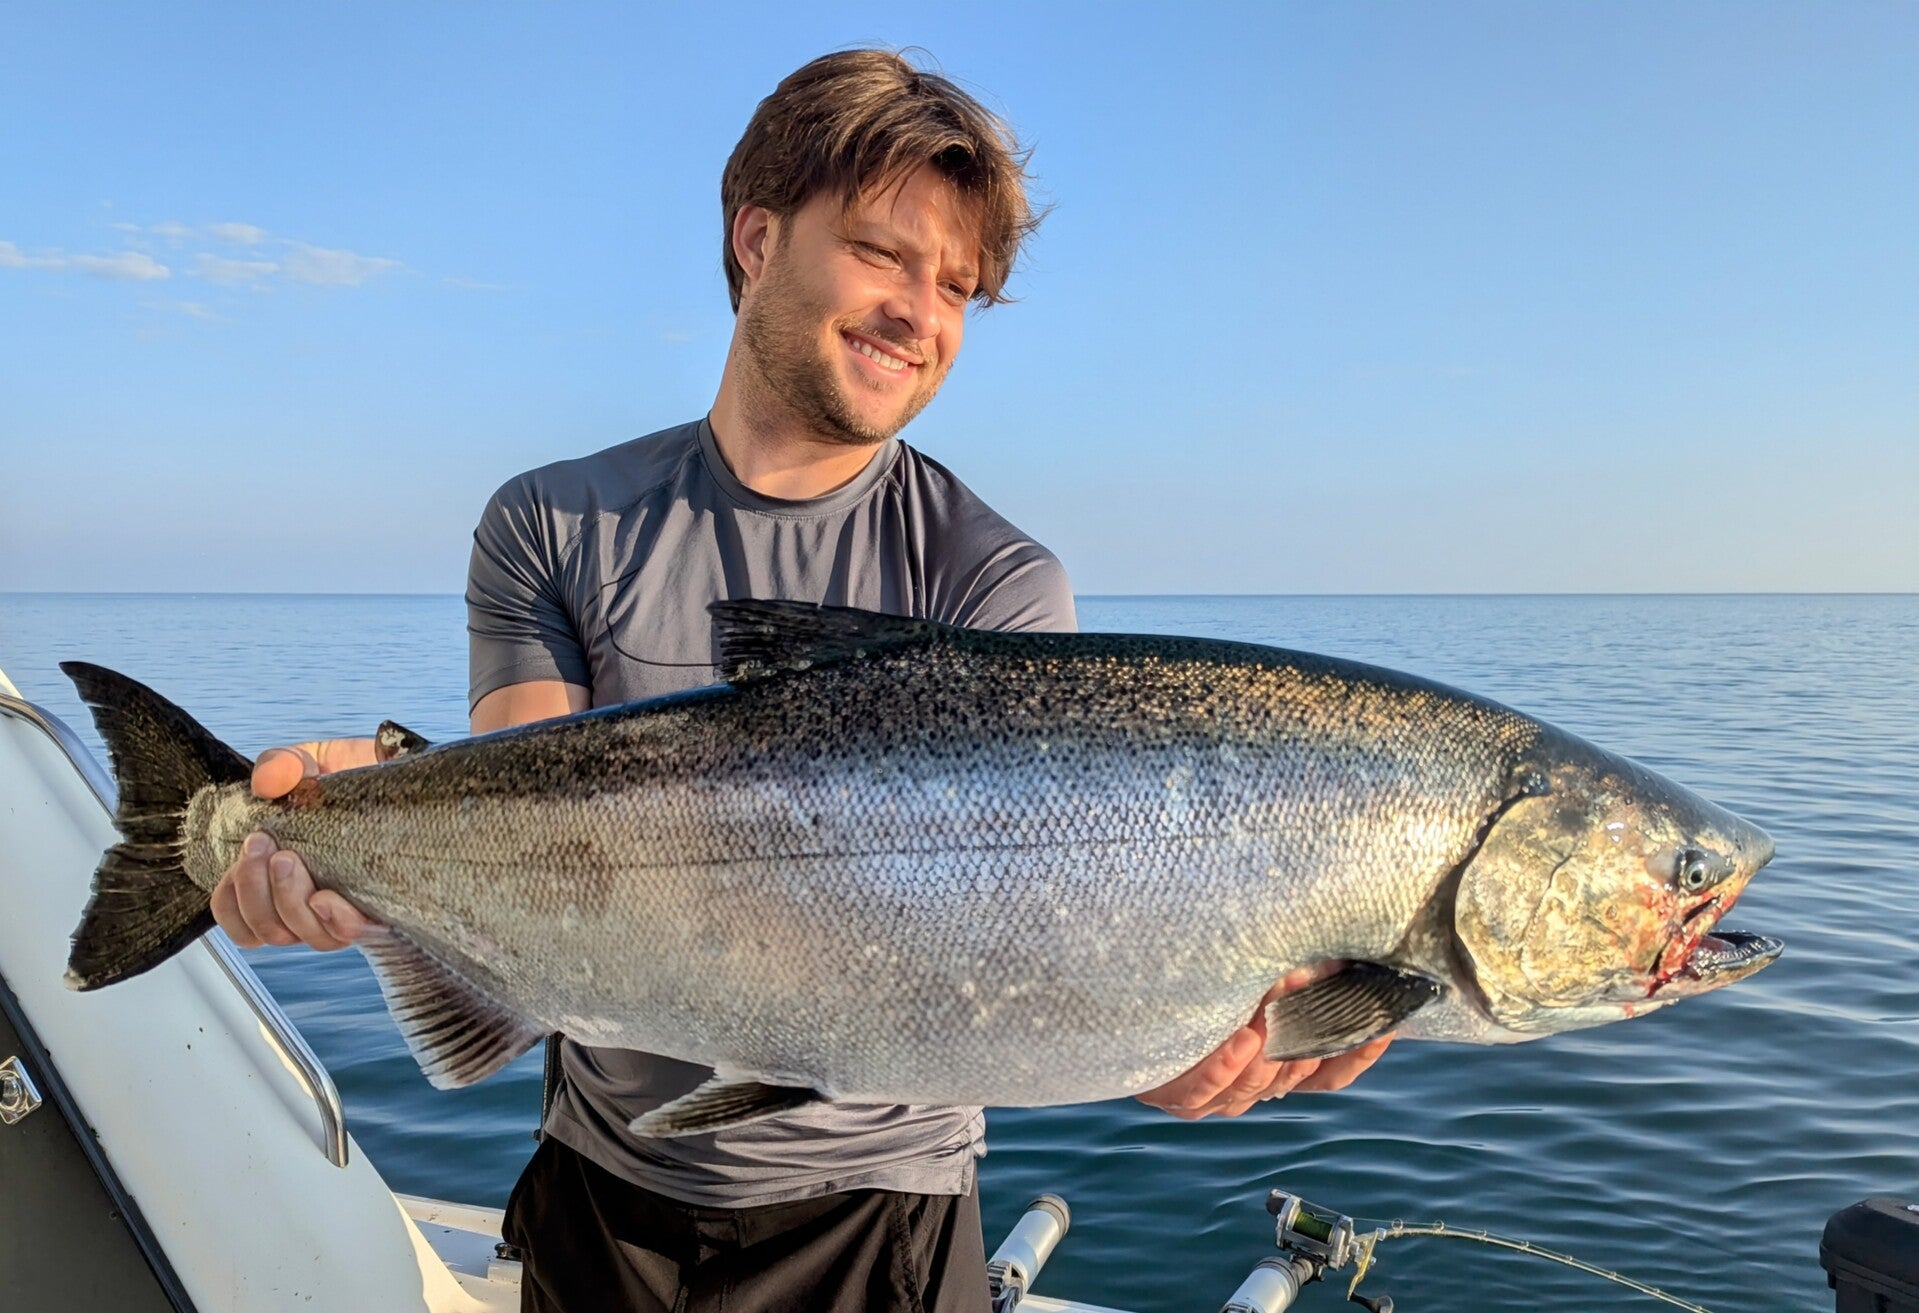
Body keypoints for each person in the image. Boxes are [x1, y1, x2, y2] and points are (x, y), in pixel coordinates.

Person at [209, 49, 1393, 1313]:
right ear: (757, 237)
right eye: (885, 253)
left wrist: (1162, 1048)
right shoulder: (552, 522)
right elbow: (535, 808)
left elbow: (1030, 951)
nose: (921, 313)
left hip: (877, 1220)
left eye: (956, 285)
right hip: (599, 1196)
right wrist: (355, 822)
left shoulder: (993, 584)